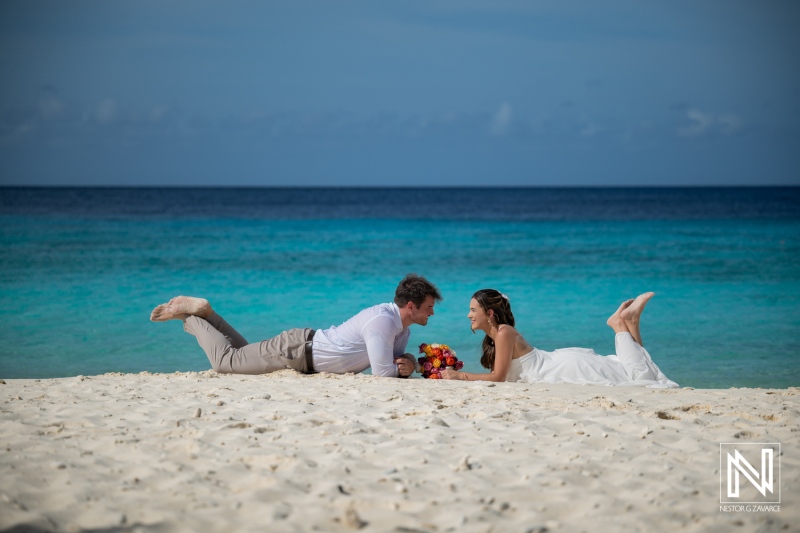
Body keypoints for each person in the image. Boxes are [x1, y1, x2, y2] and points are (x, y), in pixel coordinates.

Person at [150, 274, 441, 378]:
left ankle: (206, 314)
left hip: (302, 351)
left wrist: (409, 361)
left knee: (241, 353)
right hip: (297, 351)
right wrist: (410, 368)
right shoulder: (383, 322)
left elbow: (392, 362)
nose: (432, 313)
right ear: (411, 307)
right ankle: (190, 317)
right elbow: (382, 373)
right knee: (225, 362)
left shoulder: (402, 328)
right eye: (429, 307)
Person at [439, 289, 678, 387]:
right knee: (634, 371)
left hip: (563, 367)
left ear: (489, 313)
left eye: (473, 310)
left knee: (637, 376)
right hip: (557, 363)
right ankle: (631, 323)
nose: (468, 315)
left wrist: (460, 376)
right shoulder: (495, 337)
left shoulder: (503, 332)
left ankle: (619, 325)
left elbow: (498, 377)